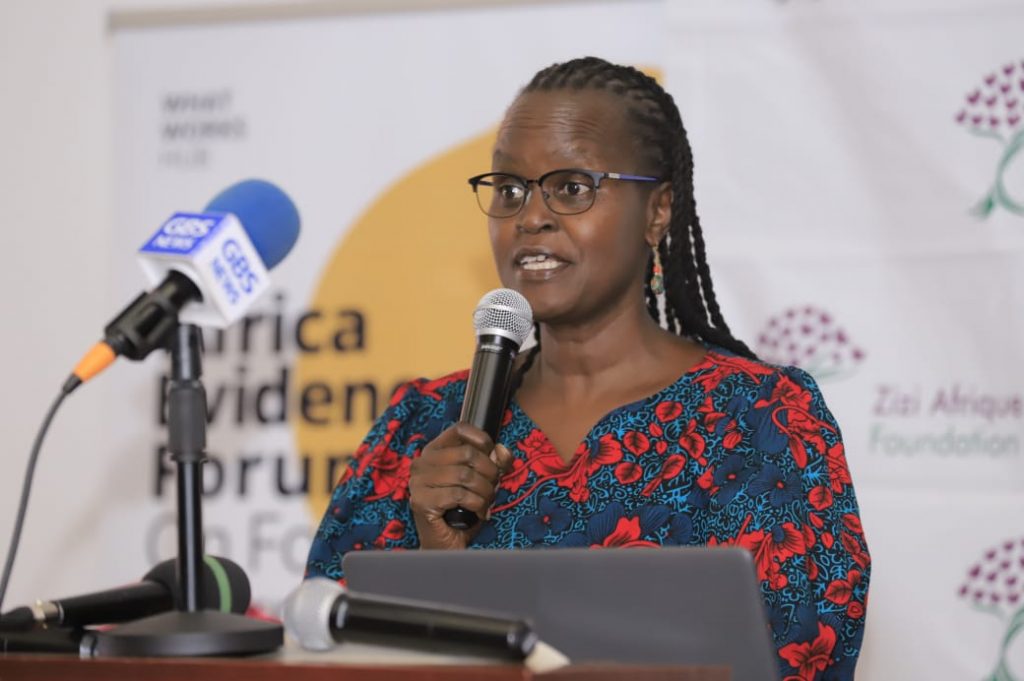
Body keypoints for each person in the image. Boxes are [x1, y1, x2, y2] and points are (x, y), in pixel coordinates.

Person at [306, 56, 870, 680]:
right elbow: (321, 646)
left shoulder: (761, 421)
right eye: (510, 189)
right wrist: (439, 553)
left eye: (571, 187)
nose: (530, 216)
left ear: (658, 210)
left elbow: (794, 653)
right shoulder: (418, 427)